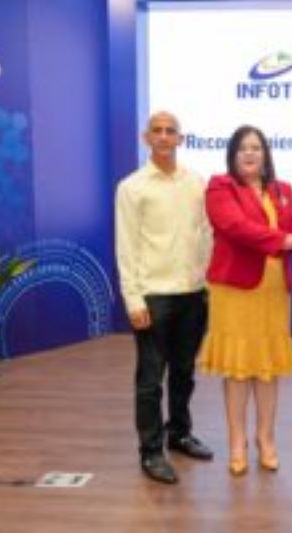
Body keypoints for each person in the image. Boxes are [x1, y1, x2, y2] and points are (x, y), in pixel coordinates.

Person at [200, 125, 292, 477]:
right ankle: (237, 442)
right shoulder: (220, 187)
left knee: (267, 368)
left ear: (265, 154)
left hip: (273, 291)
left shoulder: (281, 189)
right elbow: (237, 229)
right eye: (242, 147)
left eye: (256, 147)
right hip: (234, 290)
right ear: (232, 154)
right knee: (238, 369)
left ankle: (266, 439)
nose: (249, 153)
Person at [115, 111, 214, 484]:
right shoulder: (132, 187)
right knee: (150, 379)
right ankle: (151, 451)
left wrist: (208, 284)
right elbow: (126, 246)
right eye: (156, 130)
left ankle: (180, 434)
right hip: (153, 296)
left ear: (180, 139)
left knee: (185, 372)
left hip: (193, 294)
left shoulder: (196, 183)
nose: (163, 136)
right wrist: (133, 299)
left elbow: (205, 235)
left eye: (170, 131)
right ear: (146, 138)